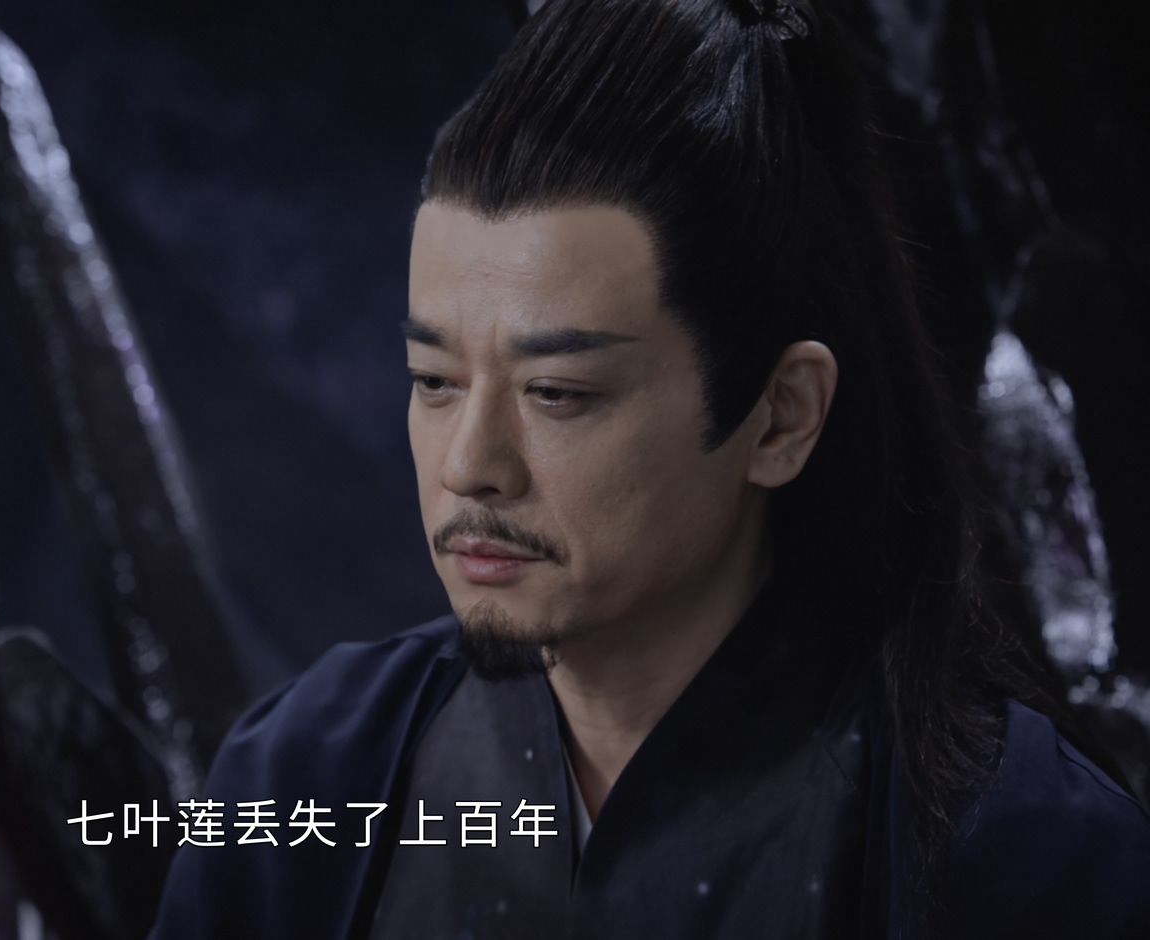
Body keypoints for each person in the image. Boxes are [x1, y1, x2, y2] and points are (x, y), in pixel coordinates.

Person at [148, 0, 1150, 936]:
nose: (469, 467)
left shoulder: (1020, 847)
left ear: (780, 415)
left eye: (557, 392)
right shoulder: (309, 776)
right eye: (435, 381)